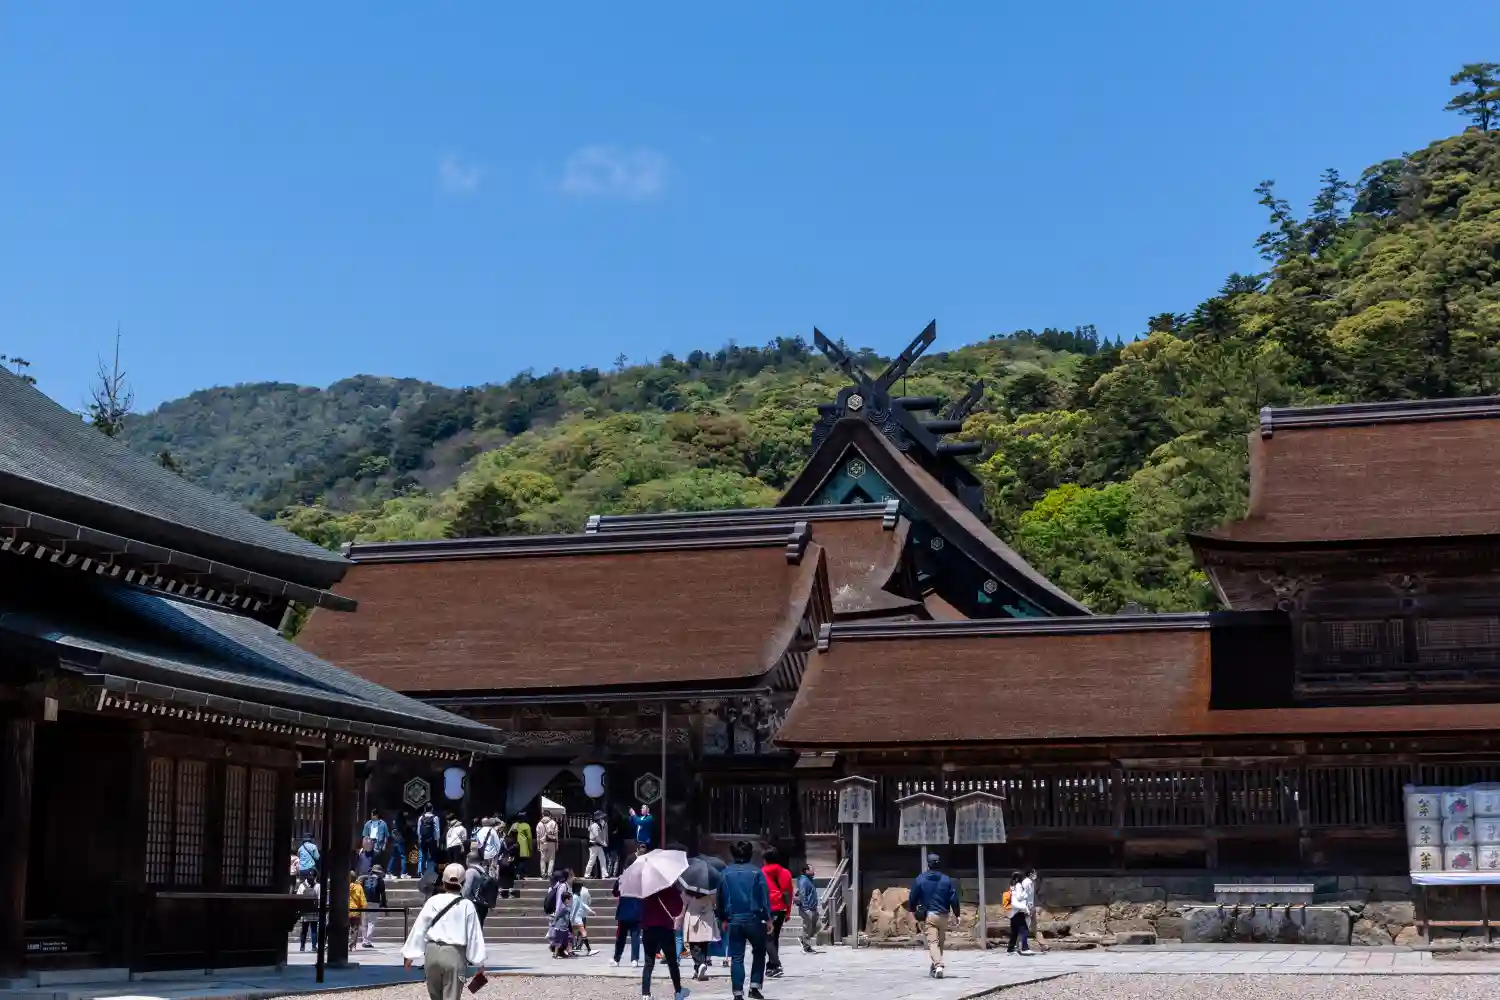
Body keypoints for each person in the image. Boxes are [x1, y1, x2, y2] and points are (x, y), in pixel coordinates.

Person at [402, 863, 487, 1000]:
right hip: (454, 954)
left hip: (432, 954)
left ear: (443, 881)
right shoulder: (467, 905)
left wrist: (409, 955)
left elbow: (420, 927)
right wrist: (479, 961)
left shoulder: (432, 901)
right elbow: (474, 935)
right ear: (463, 883)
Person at [717, 840, 771, 1000]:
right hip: (754, 918)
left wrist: (723, 918)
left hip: (734, 918)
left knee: (736, 957)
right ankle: (754, 986)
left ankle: (737, 992)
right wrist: (768, 918)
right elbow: (764, 897)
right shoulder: (757, 872)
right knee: (759, 951)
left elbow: (720, 898)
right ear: (750, 854)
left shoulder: (725, 873)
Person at [907, 853, 960, 980]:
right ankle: (934, 967)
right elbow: (953, 898)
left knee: (932, 942)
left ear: (928, 864)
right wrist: (957, 914)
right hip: (944, 915)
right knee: (940, 942)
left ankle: (938, 965)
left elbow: (913, 896)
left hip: (930, 915)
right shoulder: (946, 879)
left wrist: (912, 910)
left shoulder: (920, 879)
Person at [639, 881, 685, 1000]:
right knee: (672, 962)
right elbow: (678, 908)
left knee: (649, 962)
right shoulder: (669, 889)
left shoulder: (644, 891)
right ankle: (678, 991)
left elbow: (640, 910)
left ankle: (645, 993)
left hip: (648, 928)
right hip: (665, 928)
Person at [760, 846, 793, 978]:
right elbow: (789, 893)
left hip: (767, 909)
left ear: (765, 859)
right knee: (775, 937)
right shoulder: (786, 872)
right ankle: (771, 966)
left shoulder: (761, 873)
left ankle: (776, 964)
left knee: (767, 938)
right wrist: (788, 911)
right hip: (781, 909)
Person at [610, 860, 643, 968]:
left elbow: (615, 892)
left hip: (624, 909)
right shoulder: (641, 878)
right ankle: (635, 959)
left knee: (621, 936)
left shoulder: (621, 878)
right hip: (637, 908)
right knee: (635, 936)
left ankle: (616, 959)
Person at [683, 887, 719, 981]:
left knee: (694, 945)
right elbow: (715, 904)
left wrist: (680, 917)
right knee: (704, 944)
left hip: (693, 917)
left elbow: (683, 904)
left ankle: (700, 964)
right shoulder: (710, 890)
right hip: (707, 918)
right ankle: (698, 968)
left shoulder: (689, 891)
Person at [1009, 868, 1037, 956]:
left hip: (1014, 911)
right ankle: (1024, 948)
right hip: (1019, 910)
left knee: (1015, 931)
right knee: (1024, 930)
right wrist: (1025, 894)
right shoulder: (1019, 885)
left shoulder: (1012, 886)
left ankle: (1011, 948)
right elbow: (1019, 897)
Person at [359, 864, 387, 948]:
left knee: (364, 922)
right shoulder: (380, 880)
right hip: (375, 902)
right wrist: (383, 904)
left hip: (364, 902)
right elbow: (383, 893)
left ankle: (364, 940)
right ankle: (368, 941)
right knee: (371, 922)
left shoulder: (365, 879)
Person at [795, 863, 820, 953]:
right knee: (808, 927)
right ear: (806, 871)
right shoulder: (804, 880)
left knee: (818, 925)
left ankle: (804, 939)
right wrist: (806, 908)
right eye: (811, 869)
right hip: (807, 908)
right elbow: (803, 894)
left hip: (812, 908)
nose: (814, 871)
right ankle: (806, 946)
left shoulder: (809, 879)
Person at [547, 883, 574, 958]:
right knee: (558, 942)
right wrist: (553, 923)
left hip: (565, 927)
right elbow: (557, 916)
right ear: (566, 899)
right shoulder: (563, 908)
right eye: (569, 899)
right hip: (560, 927)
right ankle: (555, 954)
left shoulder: (567, 907)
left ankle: (563, 952)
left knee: (569, 938)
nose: (570, 900)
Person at [569, 878, 594, 955]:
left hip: (576, 918)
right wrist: (572, 919)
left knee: (573, 934)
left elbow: (583, 904)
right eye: (580, 887)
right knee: (582, 932)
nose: (581, 889)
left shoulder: (576, 896)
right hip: (576, 918)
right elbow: (574, 909)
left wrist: (590, 910)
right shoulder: (575, 897)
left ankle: (570, 950)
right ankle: (589, 950)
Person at [297, 874, 321, 951]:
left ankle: (302, 946)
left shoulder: (302, 886)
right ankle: (314, 946)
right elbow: (319, 899)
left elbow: (298, 898)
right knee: (314, 930)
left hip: (305, 911)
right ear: (315, 877)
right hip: (314, 911)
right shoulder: (318, 886)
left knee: (304, 930)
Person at [417, 804, 442, 876]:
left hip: (423, 839)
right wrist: (437, 840)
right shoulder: (435, 818)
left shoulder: (421, 817)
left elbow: (418, 830)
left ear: (425, 809)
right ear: (432, 809)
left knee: (423, 855)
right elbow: (437, 830)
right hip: (431, 839)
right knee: (432, 856)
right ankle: (431, 872)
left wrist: (419, 838)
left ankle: (422, 872)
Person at [508, 814, 534, 879]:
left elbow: (509, 834)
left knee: (518, 860)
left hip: (516, 845)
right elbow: (529, 837)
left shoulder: (516, 825)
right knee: (523, 860)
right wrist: (530, 847)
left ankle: (516, 873)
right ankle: (520, 873)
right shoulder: (526, 826)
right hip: (524, 845)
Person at [495, 831, 519, 900]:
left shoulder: (503, 842)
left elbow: (500, 853)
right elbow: (517, 856)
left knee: (501, 878)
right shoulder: (516, 844)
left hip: (503, 862)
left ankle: (500, 894)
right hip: (511, 863)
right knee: (511, 879)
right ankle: (510, 894)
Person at [537, 811, 561, 878]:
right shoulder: (553, 823)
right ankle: (549, 874)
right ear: (550, 815)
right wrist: (557, 845)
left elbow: (538, 836)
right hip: (551, 843)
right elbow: (556, 835)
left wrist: (538, 846)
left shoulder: (539, 824)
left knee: (542, 859)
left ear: (543, 815)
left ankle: (543, 874)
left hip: (542, 843)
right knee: (551, 859)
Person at [585, 811, 608, 879]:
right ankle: (587, 874)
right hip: (594, 845)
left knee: (603, 859)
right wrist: (603, 843)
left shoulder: (598, 825)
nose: (602, 819)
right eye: (601, 818)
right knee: (592, 860)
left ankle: (605, 874)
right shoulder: (594, 826)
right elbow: (597, 837)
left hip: (598, 846)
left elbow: (601, 836)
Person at [347, 871, 366, 950]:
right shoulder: (359, 887)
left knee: (345, 928)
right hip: (356, 911)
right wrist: (363, 907)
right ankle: (352, 945)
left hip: (346, 910)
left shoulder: (345, 886)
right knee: (355, 929)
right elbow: (362, 900)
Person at [389, 810, 409, 879]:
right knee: (403, 856)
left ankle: (388, 872)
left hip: (394, 840)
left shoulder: (394, 821)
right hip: (400, 840)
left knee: (393, 856)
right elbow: (404, 830)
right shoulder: (401, 821)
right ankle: (403, 873)